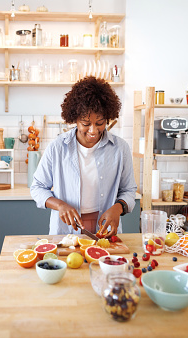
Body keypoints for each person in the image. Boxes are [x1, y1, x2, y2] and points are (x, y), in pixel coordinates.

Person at [30, 76, 137, 236]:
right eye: (86, 124)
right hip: (66, 231)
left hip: (105, 230)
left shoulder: (120, 149)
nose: (93, 130)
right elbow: (37, 188)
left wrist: (118, 208)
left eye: (100, 123)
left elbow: (128, 190)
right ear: (75, 119)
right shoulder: (57, 147)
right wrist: (60, 205)